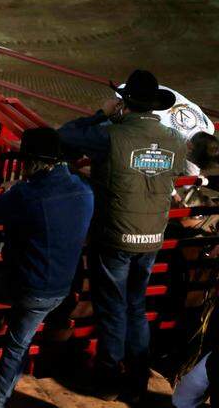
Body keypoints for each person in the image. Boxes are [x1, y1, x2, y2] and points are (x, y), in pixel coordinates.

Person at [58, 69, 187, 403]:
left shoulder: (109, 135)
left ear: (124, 103)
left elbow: (67, 134)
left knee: (112, 307)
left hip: (115, 235)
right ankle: (138, 376)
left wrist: (103, 113)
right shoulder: (175, 140)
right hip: (152, 237)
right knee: (135, 305)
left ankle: (108, 376)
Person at [0, 128, 94, 408]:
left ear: (31, 162)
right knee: (17, 345)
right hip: (59, 287)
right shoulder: (83, 190)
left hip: (24, 283)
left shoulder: (27, 193)